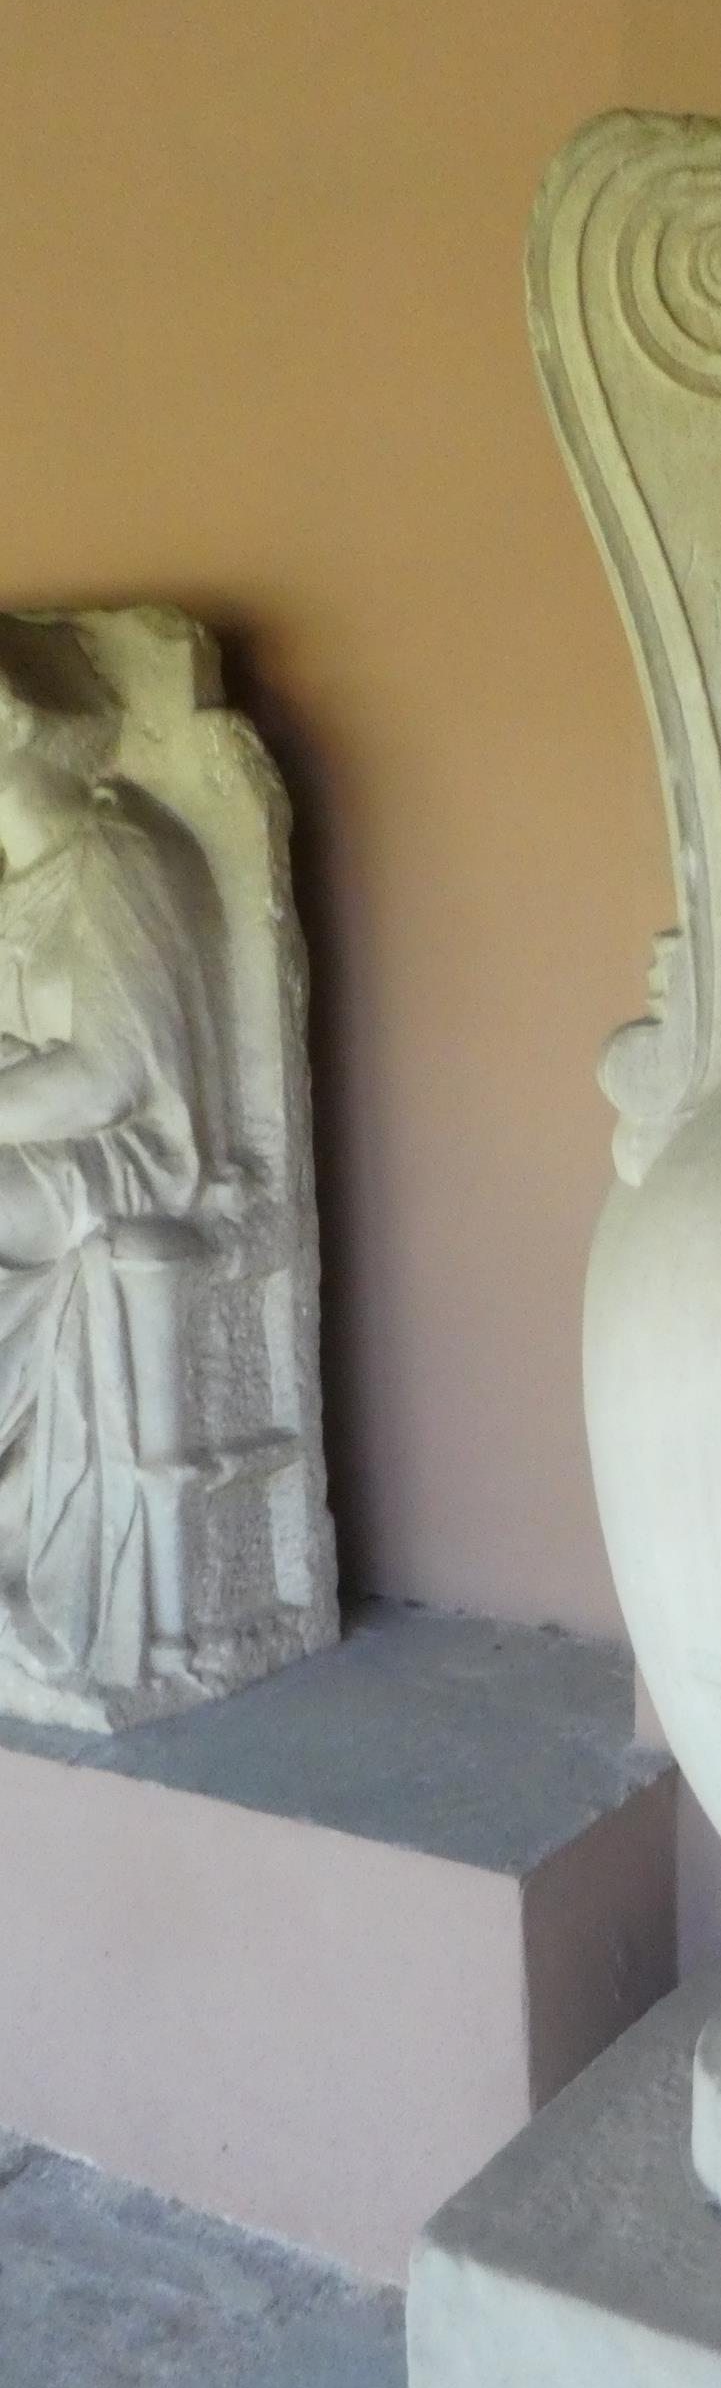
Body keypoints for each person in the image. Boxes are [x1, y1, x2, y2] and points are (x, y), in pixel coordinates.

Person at [0, 662, 230, 1688]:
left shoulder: (113, 861)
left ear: (17, 723)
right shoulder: (11, 892)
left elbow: (110, 1076)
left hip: (127, 1160)